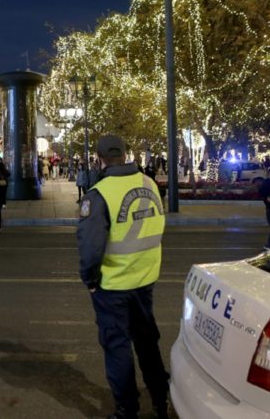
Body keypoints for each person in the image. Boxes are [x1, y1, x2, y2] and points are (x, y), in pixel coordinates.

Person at [76, 134, 170, 419]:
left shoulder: (99, 194)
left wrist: (90, 281)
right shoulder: (148, 183)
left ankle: (127, 410)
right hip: (145, 279)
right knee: (147, 342)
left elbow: (90, 248)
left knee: (117, 347)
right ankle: (160, 401)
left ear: (99, 159)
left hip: (113, 284)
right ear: (126, 155)